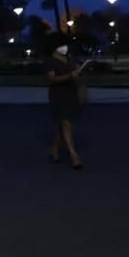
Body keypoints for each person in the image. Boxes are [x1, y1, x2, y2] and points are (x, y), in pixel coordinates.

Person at [46, 35, 85, 169]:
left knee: (62, 125)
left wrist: (78, 70)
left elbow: (76, 70)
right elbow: (52, 79)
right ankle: (74, 155)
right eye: (61, 46)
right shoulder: (50, 61)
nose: (65, 48)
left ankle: (54, 149)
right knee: (66, 123)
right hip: (58, 95)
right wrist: (69, 76)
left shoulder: (69, 58)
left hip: (71, 93)